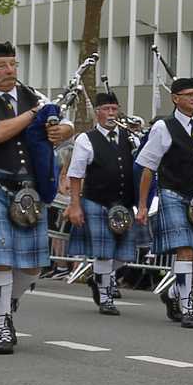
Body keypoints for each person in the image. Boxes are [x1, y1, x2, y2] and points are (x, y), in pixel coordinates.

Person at [0, 40, 71, 354]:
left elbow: (60, 120)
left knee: (32, 267)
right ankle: (3, 324)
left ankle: (7, 303)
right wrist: (34, 114)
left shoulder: (33, 95)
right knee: (2, 259)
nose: (9, 71)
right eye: (2, 66)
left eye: (13, 64)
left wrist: (65, 130)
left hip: (29, 190)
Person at [134, 76, 193, 329]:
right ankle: (187, 304)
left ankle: (173, 293)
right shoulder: (163, 127)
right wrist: (142, 204)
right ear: (175, 98)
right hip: (173, 193)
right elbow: (148, 167)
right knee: (184, 249)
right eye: (189, 94)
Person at [63, 91, 142, 313]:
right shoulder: (86, 139)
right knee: (104, 252)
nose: (111, 114)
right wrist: (75, 205)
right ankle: (106, 297)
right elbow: (76, 174)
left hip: (124, 204)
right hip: (96, 201)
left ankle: (99, 277)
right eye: (106, 110)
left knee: (125, 254)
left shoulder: (130, 137)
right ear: (97, 113)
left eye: (114, 109)